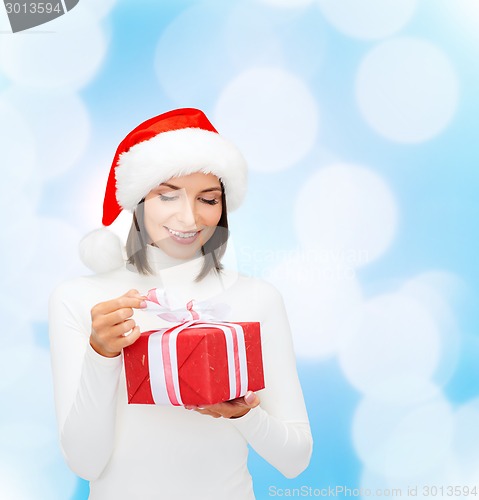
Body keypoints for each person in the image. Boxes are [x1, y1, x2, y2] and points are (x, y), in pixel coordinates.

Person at [49, 108, 313, 500]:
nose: (189, 218)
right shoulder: (82, 300)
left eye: (208, 199)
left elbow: (295, 460)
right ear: (138, 200)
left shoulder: (256, 298)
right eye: (167, 195)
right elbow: (86, 463)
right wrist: (101, 354)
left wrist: (243, 414)